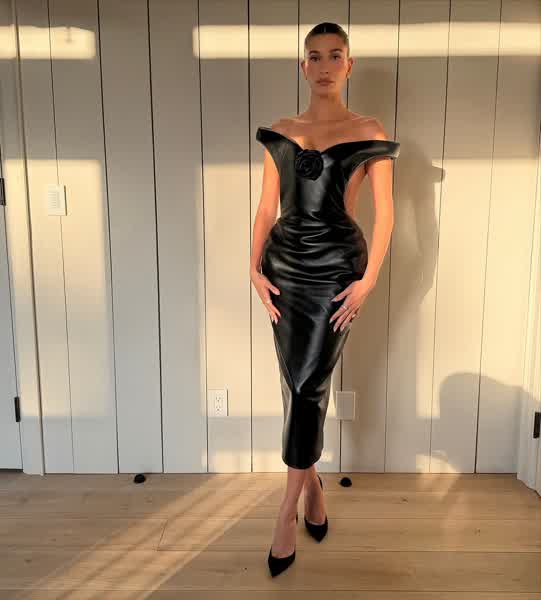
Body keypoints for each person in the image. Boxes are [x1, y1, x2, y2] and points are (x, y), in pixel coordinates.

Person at [249, 22, 400, 577]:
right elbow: (267, 208)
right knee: (295, 381)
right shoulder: (282, 131)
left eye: (335, 55)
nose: (325, 65)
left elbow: (385, 213)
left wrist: (370, 279)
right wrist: (252, 268)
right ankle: (312, 488)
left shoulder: (368, 128)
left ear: (349, 65)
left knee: (308, 383)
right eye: (315, 56)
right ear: (303, 66)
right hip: (284, 267)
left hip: (338, 270)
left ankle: (286, 511)